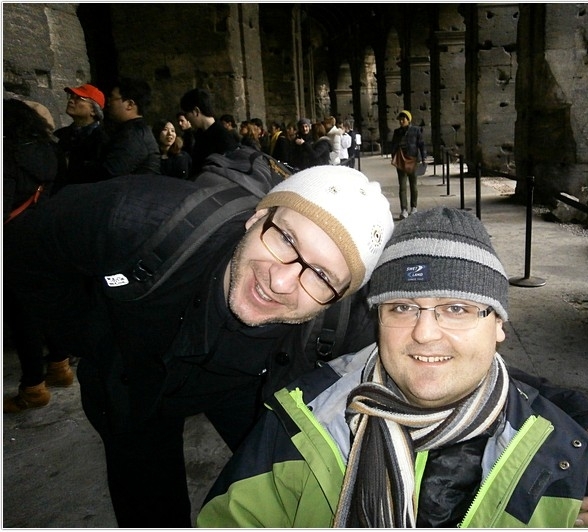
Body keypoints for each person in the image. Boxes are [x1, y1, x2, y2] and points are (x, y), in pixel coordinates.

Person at [198, 207, 588, 528]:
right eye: (402, 307)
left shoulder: (575, 465)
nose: (425, 333)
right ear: (376, 320)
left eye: (456, 308)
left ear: (498, 324)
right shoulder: (298, 422)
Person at [4, 165, 395, 527]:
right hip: (132, 375)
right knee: (149, 509)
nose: (280, 282)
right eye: (286, 239)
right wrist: (94, 339)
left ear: (340, 297)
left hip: (248, 389)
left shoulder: (350, 325)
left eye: (321, 276)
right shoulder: (135, 218)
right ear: (258, 217)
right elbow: (23, 248)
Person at [4, 98, 74, 412]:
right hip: (45, 236)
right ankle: (60, 367)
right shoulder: (49, 149)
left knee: (23, 318)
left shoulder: (8, 153)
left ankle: (33, 388)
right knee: (48, 306)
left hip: (14, 243)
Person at [99, 77, 161, 178]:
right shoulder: (133, 130)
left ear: (130, 104)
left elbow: (109, 173)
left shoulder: (133, 134)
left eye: (112, 98)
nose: (108, 103)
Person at [53, 83, 109, 191]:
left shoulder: (101, 140)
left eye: (79, 98)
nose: (71, 101)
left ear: (93, 111)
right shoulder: (64, 135)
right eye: (71, 96)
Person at [180, 88, 239, 176]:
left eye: (186, 114)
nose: (187, 119)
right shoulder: (200, 133)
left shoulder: (223, 137)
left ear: (196, 111)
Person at [391, 109, 425, 220]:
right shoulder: (397, 132)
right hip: (401, 160)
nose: (401, 121)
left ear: (408, 120)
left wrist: (423, 157)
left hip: (413, 160)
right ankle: (404, 209)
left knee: (413, 185)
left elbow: (421, 144)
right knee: (402, 186)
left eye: (403, 119)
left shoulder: (416, 130)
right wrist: (394, 156)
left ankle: (414, 207)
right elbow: (393, 144)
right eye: (400, 120)